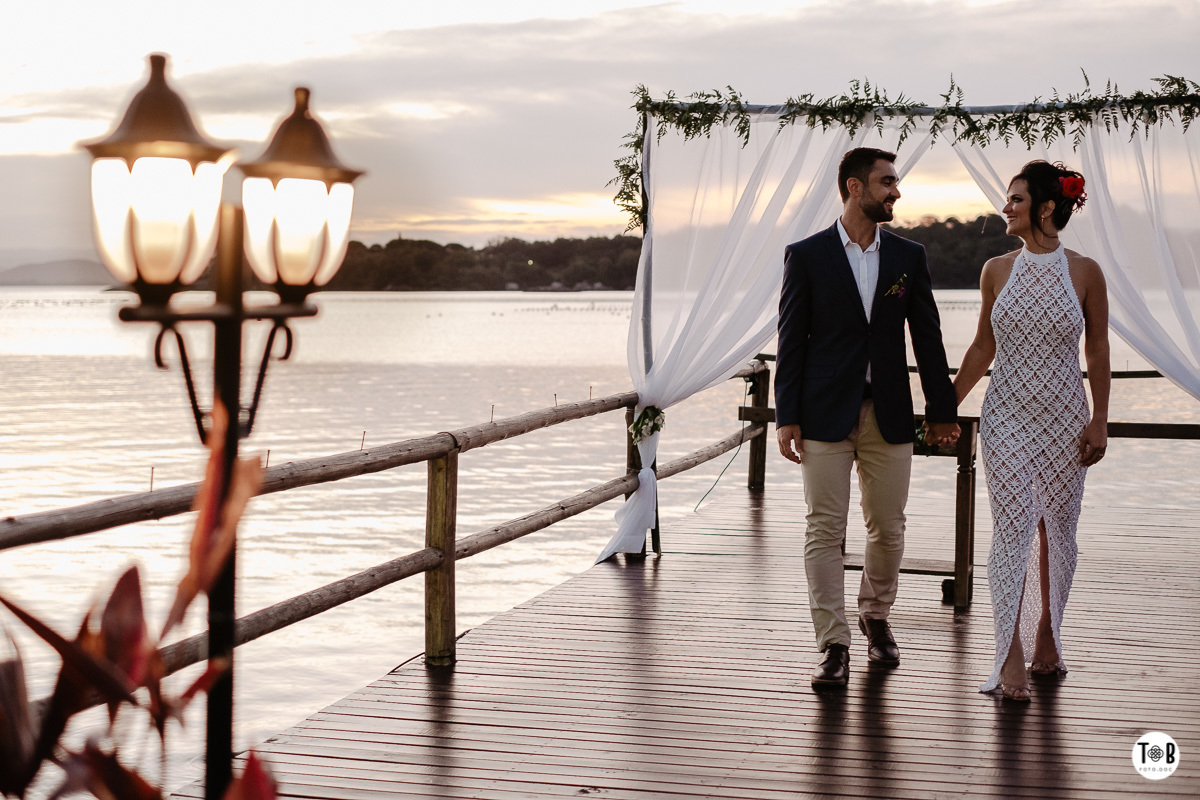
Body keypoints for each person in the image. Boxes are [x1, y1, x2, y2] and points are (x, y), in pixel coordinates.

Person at [776, 147, 960, 689]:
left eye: (895, 182)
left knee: (889, 529)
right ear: (855, 188)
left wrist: (942, 410)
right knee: (824, 528)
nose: (895, 191)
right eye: (886, 182)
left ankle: (875, 615)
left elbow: (927, 337)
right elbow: (792, 341)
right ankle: (833, 642)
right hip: (822, 412)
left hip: (891, 416)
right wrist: (787, 415)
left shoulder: (909, 256)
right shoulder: (806, 255)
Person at [952, 160, 1110, 701]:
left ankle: (1047, 632)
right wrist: (946, 406)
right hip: (1007, 419)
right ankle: (1008, 654)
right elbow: (982, 347)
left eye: (1017, 199)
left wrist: (1100, 420)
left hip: (1067, 420)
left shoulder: (1085, 272)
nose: (1006, 207)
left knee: (1057, 532)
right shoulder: (996, 269)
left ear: (1046, 207)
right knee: (1013, 528)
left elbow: (1097, 350)